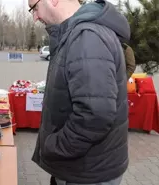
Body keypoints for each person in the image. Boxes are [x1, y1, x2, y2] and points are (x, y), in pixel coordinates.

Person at [28, 0, 130, 184]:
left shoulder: (87, 37)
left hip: (87, 172)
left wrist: (54, 146)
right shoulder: (74, 34)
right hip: (82, 167)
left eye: (34, 7)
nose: (35, 16)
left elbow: (95, 116)